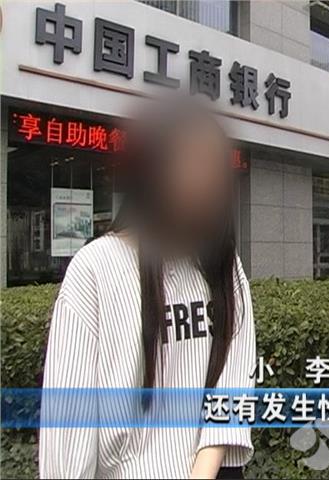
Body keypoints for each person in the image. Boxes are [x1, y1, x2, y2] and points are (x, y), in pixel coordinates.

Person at [39, 98, 255, 479]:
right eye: (190, 161)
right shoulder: (95, 270)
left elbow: (232, 388)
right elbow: (68, 437)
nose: (205, 181)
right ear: (155, 170)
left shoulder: (224, 267)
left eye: (214, 166)